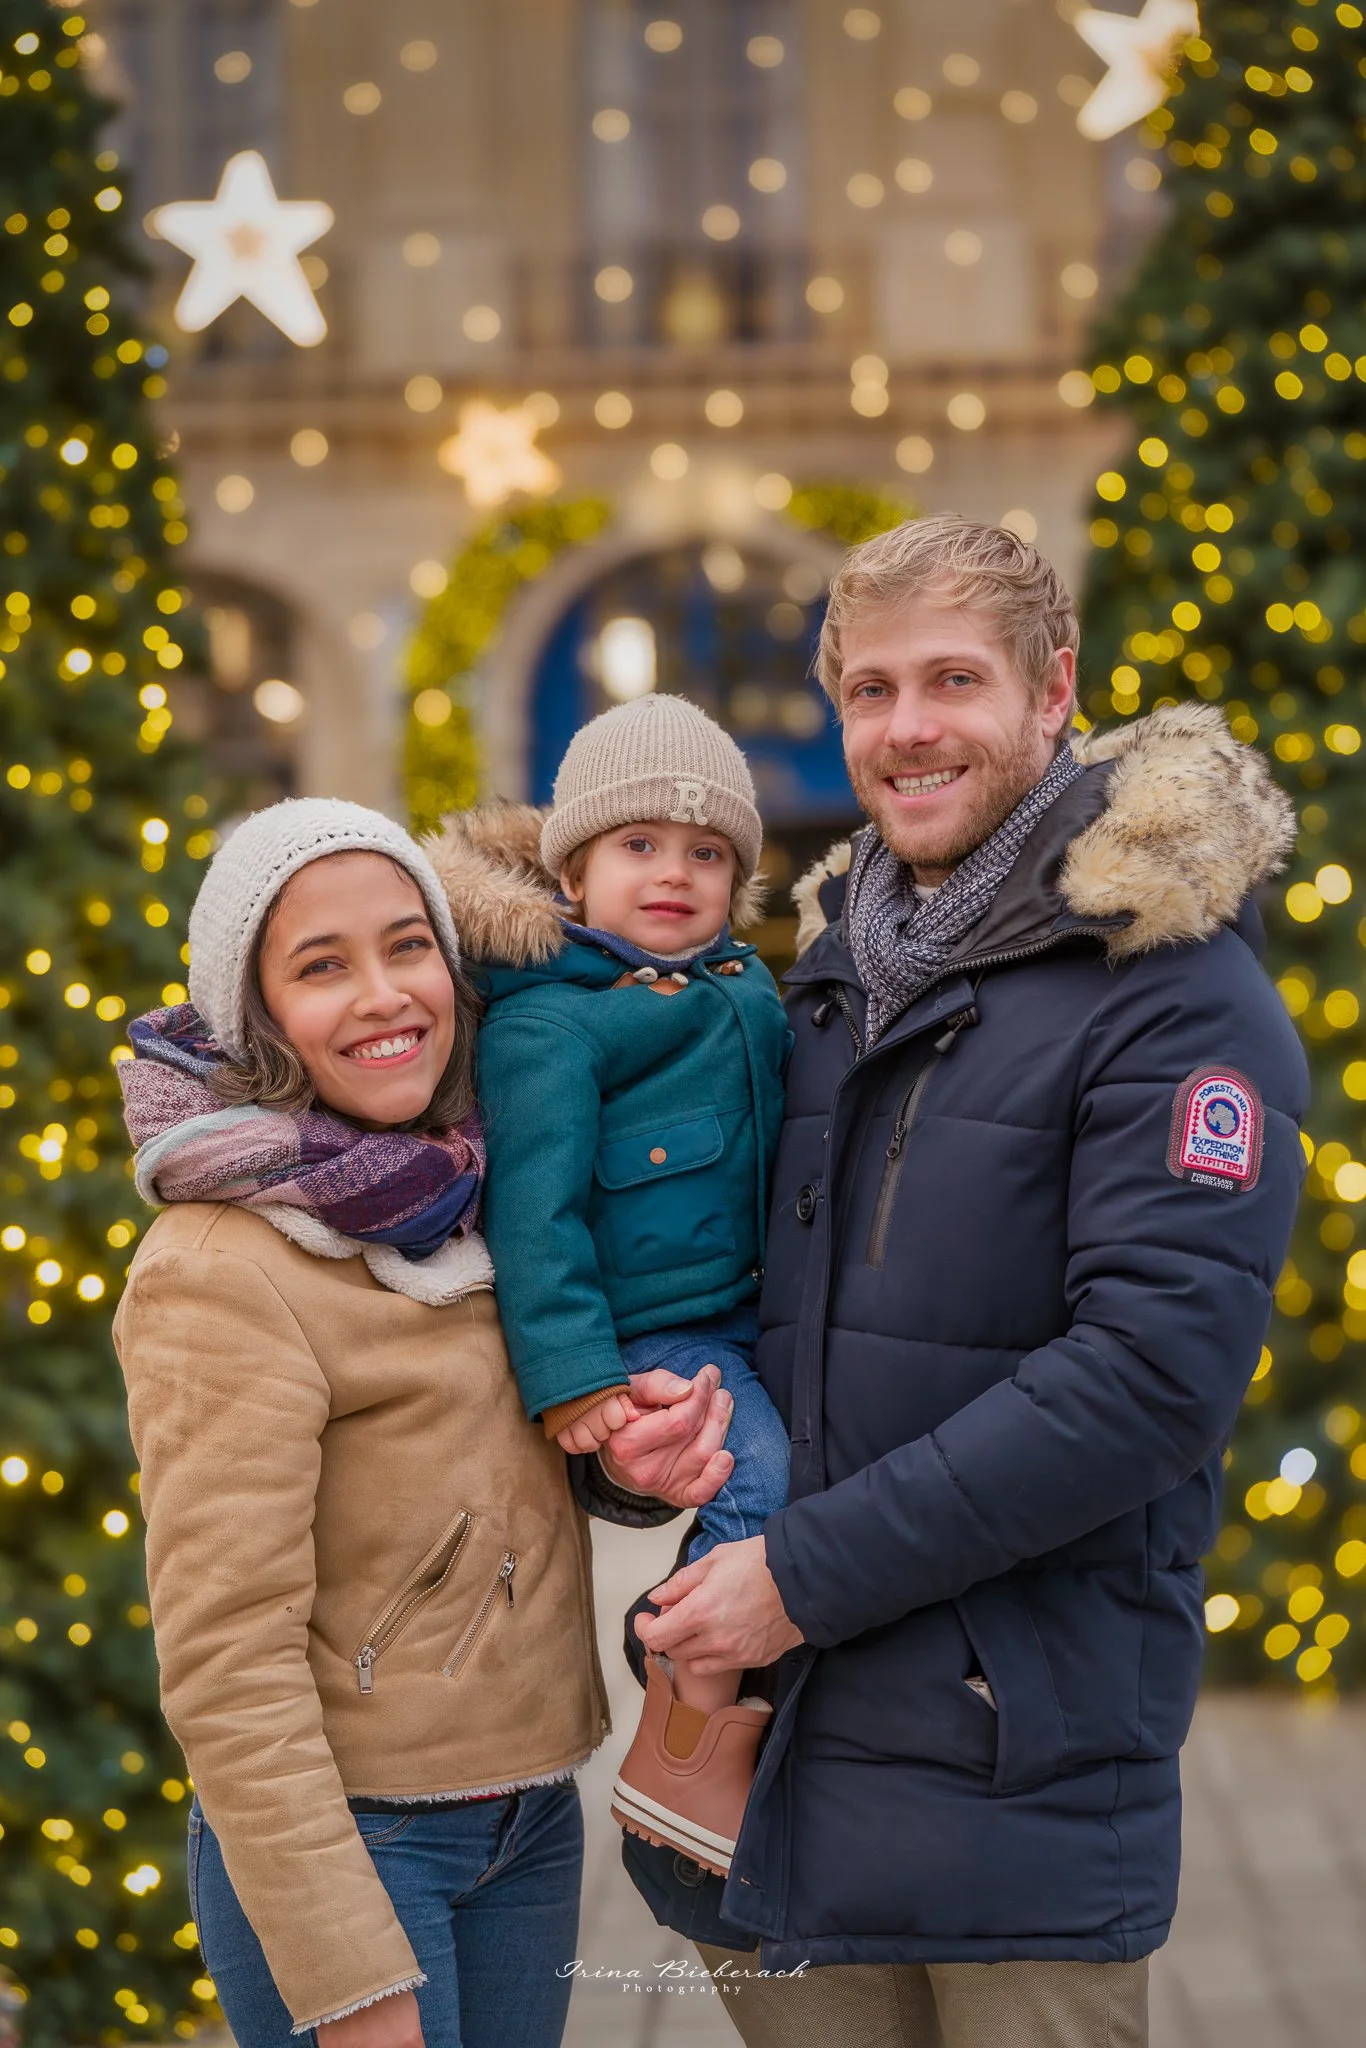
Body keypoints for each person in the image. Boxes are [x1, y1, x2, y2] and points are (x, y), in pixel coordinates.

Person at [627, 516, 1308, 2047]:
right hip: (784, 1784)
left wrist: (793, 1581)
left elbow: (1144, 1384)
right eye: (869, 690)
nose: (907, 728)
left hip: (1020, 1783)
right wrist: (645, 1436)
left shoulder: (1174, 989)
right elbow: (735, 1303)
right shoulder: (813, 988)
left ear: (1052, 691)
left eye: (952, 680)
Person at [112, 798, 730, 2048]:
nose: (386, 994)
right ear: (257, 1012)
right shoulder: (221, 1264)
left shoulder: (467, 1189)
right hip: (355, 1842)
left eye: (408, 946)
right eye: (321, 966)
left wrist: (630, 1467)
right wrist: (349, 1979)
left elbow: (493, 1482)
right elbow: (226, 1663)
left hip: (528, 1814)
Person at [427, 694, 792, 1880]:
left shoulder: (750, 988)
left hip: (756, 1301)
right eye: (637, 846)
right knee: (766, 1478)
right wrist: (575, 1373)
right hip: (662, 1324)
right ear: (572, 871)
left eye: (706, 853)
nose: (674, 873)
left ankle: (728, 1684)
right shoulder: (553, 1025)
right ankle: (687, 1716)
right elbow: (534, 1219)